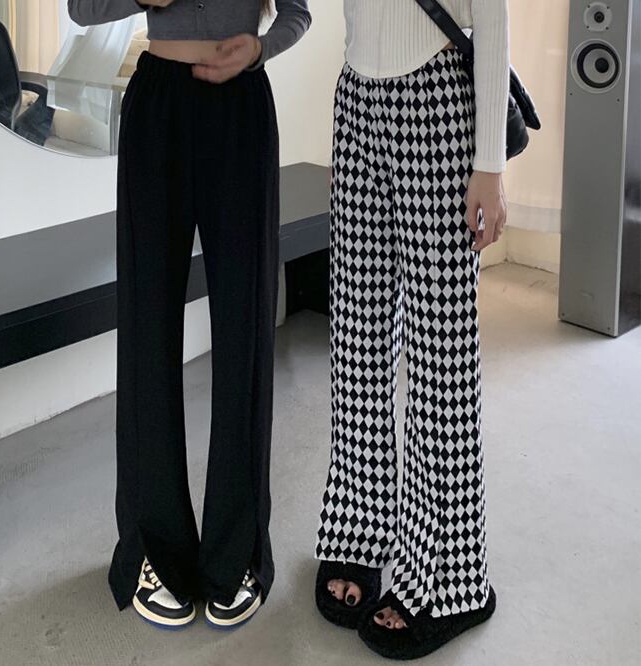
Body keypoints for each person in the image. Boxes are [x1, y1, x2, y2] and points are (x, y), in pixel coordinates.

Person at [67, 0, 311, 630]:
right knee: (146, 327)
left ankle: (239, 551)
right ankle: (153, 548)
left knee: (245, 329)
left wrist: (261, 48)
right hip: (158, 106)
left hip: (242, 106)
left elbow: (297, 12)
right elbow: (81, 8)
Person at [313, 0, 509, 658]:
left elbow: (494, 13)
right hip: (356, 94)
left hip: (435, 96)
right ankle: (360, 527)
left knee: (440, 354)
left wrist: (490, 164)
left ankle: (455, 578)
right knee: (356, 339)